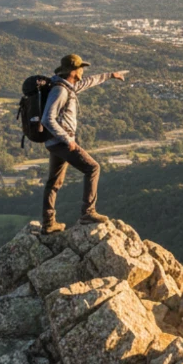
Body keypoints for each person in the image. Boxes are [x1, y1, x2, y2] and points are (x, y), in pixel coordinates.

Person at [41, 54, 127, 234]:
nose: (82, 71)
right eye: (81, 68)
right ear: (73, 71)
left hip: (54, 141)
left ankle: (49, 223)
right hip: (61, 141)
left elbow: (89, 82)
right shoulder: (61, 91)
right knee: (93, 168)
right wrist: (67, 139)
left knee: (54, 182)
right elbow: (47, 118)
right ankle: (88, 212)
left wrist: (111, 75)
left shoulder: (68, 86)